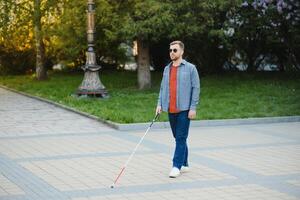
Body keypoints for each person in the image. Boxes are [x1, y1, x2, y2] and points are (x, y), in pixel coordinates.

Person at [156, 40, 200, 178]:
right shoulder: (167, 69)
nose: (172, 53)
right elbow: (163, 88)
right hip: (171, 108)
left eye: (175, 50)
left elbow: (196, 88)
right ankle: (185, 163)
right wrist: (159, 104)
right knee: (178, 137)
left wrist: (193, 108)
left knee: (181, 138)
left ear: (181, 52)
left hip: (185, 109)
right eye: (170, 50)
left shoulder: (191, 68)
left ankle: (176, 166)